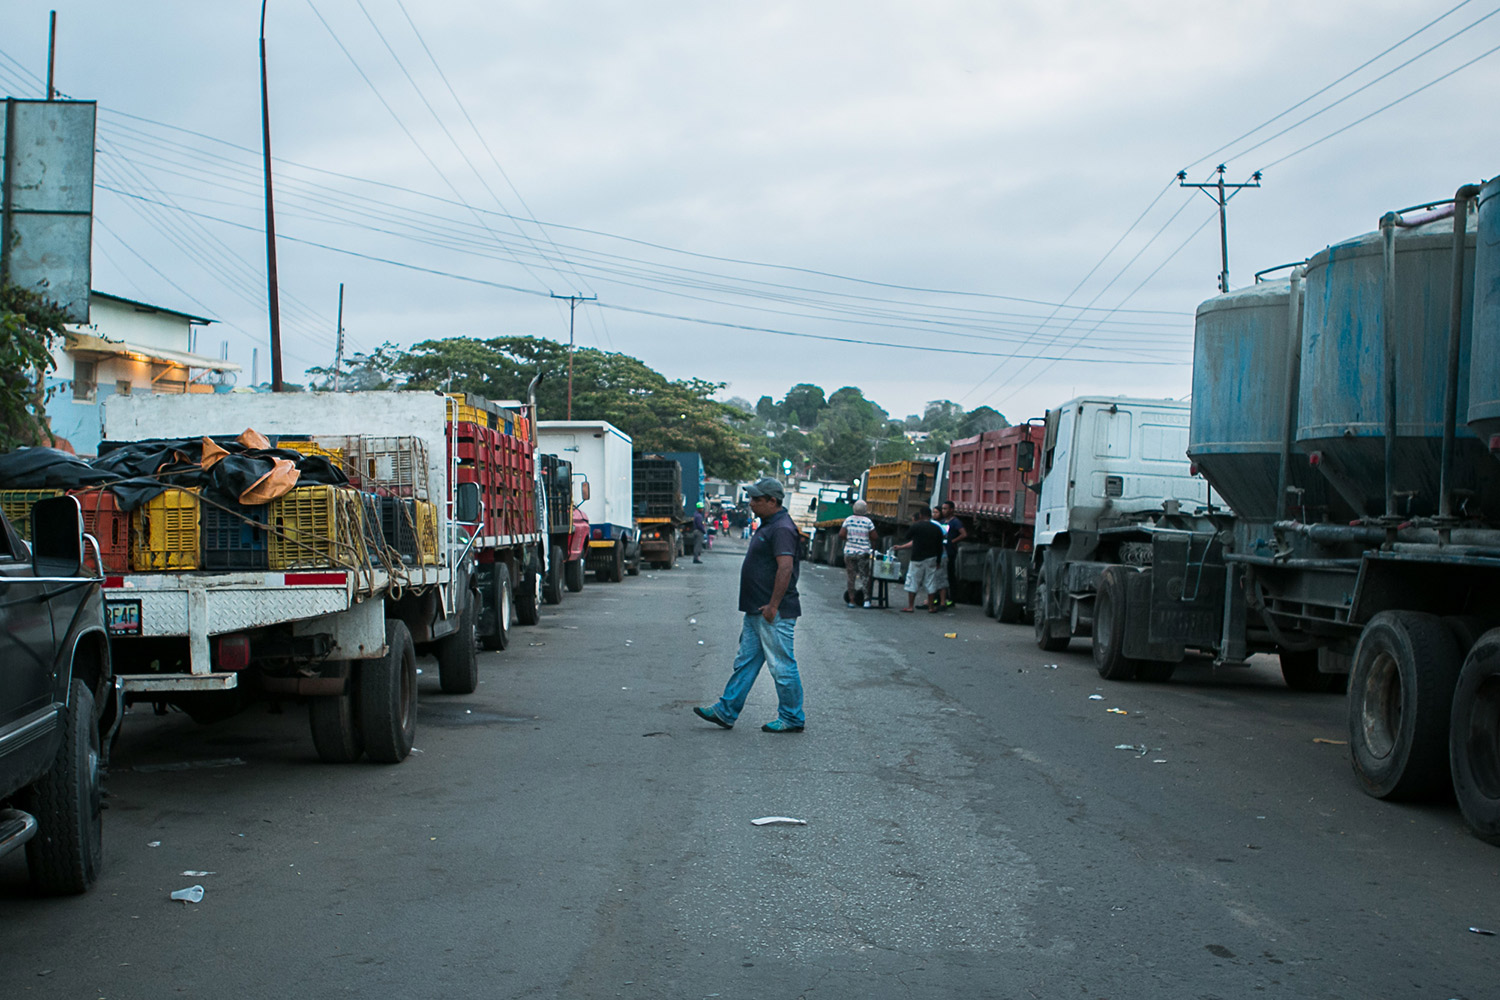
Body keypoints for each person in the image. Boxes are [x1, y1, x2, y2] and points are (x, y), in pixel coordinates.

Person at [694, 477, 805, 733]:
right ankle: (726, 710)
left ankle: (792, 717)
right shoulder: (769, 524)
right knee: (746, 662)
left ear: (772, 501)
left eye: (757, 499)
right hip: (758, 610)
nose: (751, 502)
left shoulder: (781, 529)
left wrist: (773, 606)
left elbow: (785, 567)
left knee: (782, 665)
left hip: (771, 612)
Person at [891, 504, 946, 613]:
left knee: (913, 581)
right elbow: (940, 547)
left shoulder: (916, 526)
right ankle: (931, 607)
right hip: (932, 557)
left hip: (917, 558)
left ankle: (910, 606)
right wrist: (938, 561)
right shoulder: (937, 529)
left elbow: (907, 536)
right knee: (930, 582)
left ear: (920, 515)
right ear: (930, 516)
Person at [839, 500, 879, 608]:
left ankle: (851, 600)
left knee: (851, 577)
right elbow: (875, 537)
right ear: (865, 510)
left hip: (849, 552)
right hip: (863, 552)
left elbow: (841, 534)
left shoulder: (848, 520)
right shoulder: (868, 522)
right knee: (864, 576)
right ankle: (866, 601)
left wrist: (850, 539)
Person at [938, 500, 967, 608]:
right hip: (942, 551)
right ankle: (939, 598)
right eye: (942, 509)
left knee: (950, 575)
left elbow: (964, 534)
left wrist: (953, 541)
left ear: (951, 510)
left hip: (950, 552)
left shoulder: (955, 522)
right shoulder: (942, 521)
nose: (943, 511)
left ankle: (952, 599)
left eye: (945, 509)